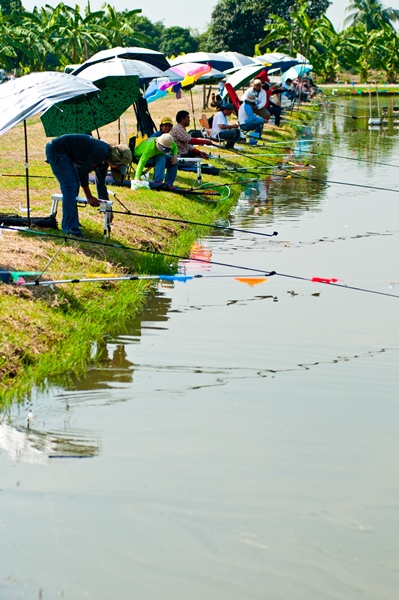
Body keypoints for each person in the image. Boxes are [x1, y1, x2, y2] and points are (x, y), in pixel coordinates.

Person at [45, 134, 132, 237]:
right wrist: (89, 197)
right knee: (70, 187)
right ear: (116, 158)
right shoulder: (101, 152)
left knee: (74, 185)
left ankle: (73, 222)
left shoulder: (105, 162)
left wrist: (107, 210)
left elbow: (100, 183)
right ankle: (70, 229)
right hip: (57, 150)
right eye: (119, 165)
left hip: (66, 154)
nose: (118, 168)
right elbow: (83, 172)